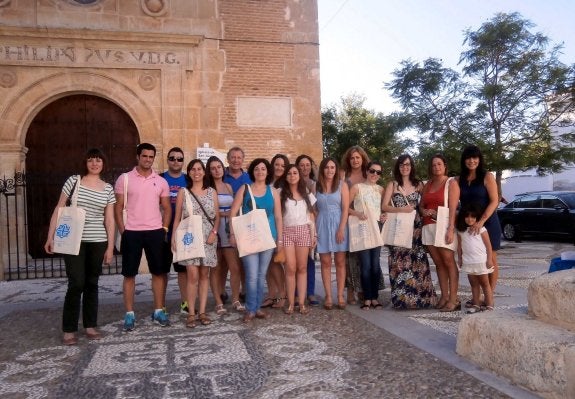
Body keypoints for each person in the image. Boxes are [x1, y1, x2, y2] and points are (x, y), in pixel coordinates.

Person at [44, 148, 115, 345]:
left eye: (98, 160)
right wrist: (50, 236)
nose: (94, 163)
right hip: (73, 240)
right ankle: (69, 329)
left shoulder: (108, 188)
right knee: (76, 282)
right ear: (85, 163)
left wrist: (110, 247)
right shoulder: (74, 181)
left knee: (92, 283)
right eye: (91, 160)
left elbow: (109, 220)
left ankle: (90, 325)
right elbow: (59, 209)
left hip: (98, 240)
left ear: (103, 163)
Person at [115, 143, 172, 331]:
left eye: (151, 156)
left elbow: (167, 206)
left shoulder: (161, 181)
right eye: (144, 156)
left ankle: (158, 310)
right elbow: (118, 207)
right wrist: (124, 231)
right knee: (129, 274)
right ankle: (129, 314)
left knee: (158, 272)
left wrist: (164, 228)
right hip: (132, 232)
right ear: (137, 157)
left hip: (155, 231)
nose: (147, 159)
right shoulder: (124, 179)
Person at [229, 158, 283, 323]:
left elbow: (278, 217)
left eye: (263, 169)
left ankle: (257, 307)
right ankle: (250, 309)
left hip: (268, 237)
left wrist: (279, 240)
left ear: (268, 172)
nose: (260, 172)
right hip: (249, 237)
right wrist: (232, 234)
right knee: (251, 275)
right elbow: (233, 213)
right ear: (253, 172)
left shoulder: (273, 191)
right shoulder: (245, 189)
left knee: (260, 275)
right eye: (257, 169)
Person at [382, 154, 437, 309]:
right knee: (399, 263)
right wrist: (401, 209)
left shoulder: (419, 185)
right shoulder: (392, 185)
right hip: (399, 228)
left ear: (411, 166)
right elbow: (385, 206)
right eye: (401, 165)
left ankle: (421, 299)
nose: (405, 167)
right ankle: (402, 300)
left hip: (415, 229)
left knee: (417, 263)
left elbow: (424, 204)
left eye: (407, 164)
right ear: (398, 167)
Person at [172, 159, 220, 328]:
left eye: (199, 169)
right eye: (193, 169)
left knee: (204, 275)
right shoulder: (183, 193)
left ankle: (202, 311)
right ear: (189, 172)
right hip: (190, 238)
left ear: (204, 172)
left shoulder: (211, 192)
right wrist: (173, 238)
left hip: (208, 238)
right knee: (192, 275)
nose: (196, 172)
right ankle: (191, 312)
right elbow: (177, 217)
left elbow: (217, 217)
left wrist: (214, 233)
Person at [457, 145, 501, 302]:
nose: (471, 161)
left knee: (490, 259)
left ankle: (489, 295)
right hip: (470, 224)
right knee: (473, 258)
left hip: (488, 222)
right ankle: (478, 296)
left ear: (479, 159)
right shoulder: (459, 179)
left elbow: (495, 200)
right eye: (468, 158)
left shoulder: (487, 176)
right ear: (464, 160)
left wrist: (481, 221)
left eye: (475, 157)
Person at [420, 154, 460, 312]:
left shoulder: (451, 183)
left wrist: (450, 229)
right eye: (433, 165)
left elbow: (453, 208)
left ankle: (454, 299)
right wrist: (424, 211)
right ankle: (444, 296)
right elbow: (421, 205)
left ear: (444, 166)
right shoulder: (428, 184)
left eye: (439, 164)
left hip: (443, 226)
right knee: (439, 263)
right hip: (428, 226)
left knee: (449, 261)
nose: (436, 167)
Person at [206, 156, 245, 312]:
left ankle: (235, 299)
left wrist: (228, 215)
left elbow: (235, 208)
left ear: (223, 168)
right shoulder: (207, 188)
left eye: (219, 167)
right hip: (213, 229)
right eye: (213, 168)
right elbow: (209, 212)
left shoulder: (228, 187)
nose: (217, 170)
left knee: (234, 267)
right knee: (216, 267)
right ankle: (218, 301)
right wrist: (225, 214)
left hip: (228, 230)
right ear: (209, 171)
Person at [279, 164, 317, 315]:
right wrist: (279, 239)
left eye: (295, 173)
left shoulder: (307, 193)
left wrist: (314, 235)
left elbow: (312, 215)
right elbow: (278, 217)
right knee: (290, 268)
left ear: (299, 176)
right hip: (287, 232)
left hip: (303, 231)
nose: (292, 176)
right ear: (286, 177)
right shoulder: (280, 193)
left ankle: (301, 303)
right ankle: (290, 303)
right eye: (289, 173)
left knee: (302, 268)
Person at [348, 161, 385, 310]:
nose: (375, 174)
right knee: (365, 265)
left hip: (376, 229)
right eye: (372, 171)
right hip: (362, 228)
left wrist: (385, 215)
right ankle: (367, 298)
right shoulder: (357, 188)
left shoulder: (381, 190)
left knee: (375, 265)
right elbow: (345, 206)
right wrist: (357, 213)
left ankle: (374, 297)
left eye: (378, 172)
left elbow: (385, 208)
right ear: (367, 171)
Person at [315, 157, 349, 310]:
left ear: (336, 170)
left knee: (340, 262)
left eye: (332, 167)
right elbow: (313, 209)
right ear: (322, 169)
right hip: (322, 223)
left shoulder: (342, 185)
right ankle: (328, 296)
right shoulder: (316, 186)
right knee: (325, 262)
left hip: (338, 224)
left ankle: (340, 295)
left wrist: (341, 228)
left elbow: (346, 208)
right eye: (327, 167)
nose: (329, 170)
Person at [159, 147, 188, 315]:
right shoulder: (160, 179)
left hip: (183, 233)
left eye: (179, 159)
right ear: (167, 160)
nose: (176, 161)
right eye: (172, 158)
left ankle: (185, 304)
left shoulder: (188, 179)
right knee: (162, 271)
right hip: (163, 232)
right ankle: (160, 305)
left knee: (182, 271)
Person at [221, 146, 251, 302]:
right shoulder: (221, 176)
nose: (236, 160)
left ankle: (245, 291)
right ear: (228, 159)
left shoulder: (249, 178)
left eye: (239, 157)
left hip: (244, 223)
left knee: (244, 259)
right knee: (224, 261)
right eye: (233, 157)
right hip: (224, 224)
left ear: (243, 160)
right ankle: (222, 292)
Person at [261, 154, 289, 309]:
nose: (279, 168)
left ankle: (283, 294)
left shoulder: (287, 184)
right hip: (266, 227)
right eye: (277, 164)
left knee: (277, 261)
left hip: (282, 226)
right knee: (268, 262)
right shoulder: (265, 183)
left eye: (282, 165)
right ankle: (271, 294)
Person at [455, 202, 494, 313]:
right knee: (473, 284)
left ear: (477, 217)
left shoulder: (481, 229)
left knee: (485, 284)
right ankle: (476, 304)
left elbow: (488, 246)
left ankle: (489, 305)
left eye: (473, 216)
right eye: (467, 216)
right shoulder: (461, 231)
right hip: (468, 261)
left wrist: (489, 259)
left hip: (481, 261)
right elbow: (459, 247)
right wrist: (460, 259)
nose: (469, 219)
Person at [296, 154, 320, 307]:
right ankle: (297, 293)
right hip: (294, 226)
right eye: (302, 165)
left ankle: (310, 292)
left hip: (310, 225)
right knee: (296, 263)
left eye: (307, 165)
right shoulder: (292, 181)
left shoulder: (314, 184)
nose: (305, 168)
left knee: (309, 261)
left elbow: (314, 208)